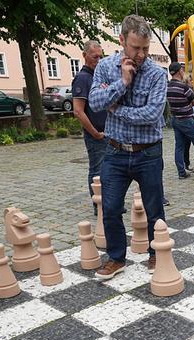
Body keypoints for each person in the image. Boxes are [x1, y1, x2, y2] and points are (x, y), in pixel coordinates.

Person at [89, 14, 167, 279]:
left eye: (146, 48)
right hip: (114, 151)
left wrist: (117, 109)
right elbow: (95, 104)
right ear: (122, 40)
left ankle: (157, 253)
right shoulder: (106, 67)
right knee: (109, 207)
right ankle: (116, 258)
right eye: (136, 47)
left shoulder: (157, 74)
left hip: (149, 151)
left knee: (154, 208)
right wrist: (122, 83)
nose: (142, 54)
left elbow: (152, 115)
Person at [71, 40, 107, 216]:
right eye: (95, 57)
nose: (98, 60)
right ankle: (98, 205)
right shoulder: (83, 78)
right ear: (85, 56)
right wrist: (95, 133)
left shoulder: (97, 76)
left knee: (108, 169)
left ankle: (108, 202)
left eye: (101, 56)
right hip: (96, 135)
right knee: (97, 170)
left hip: (107, 132)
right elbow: (78, 111)